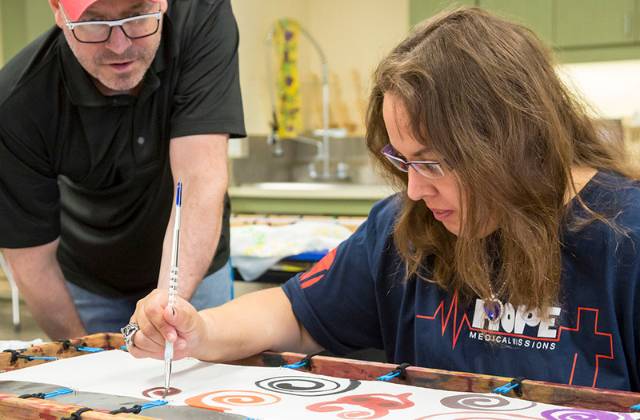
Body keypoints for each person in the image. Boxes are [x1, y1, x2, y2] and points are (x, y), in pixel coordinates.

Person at [127, 8, 640, 392]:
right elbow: (297, 313)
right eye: (405, 161)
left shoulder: (626, 239)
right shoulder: (405, 227)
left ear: (510, 142)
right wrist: (199, 329)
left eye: (433, 163)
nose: (415, 190)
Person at [0, 0, 245, 338]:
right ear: (58, 10)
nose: (119, 45)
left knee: (197, 380)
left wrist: (166, 309)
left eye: (135, 15)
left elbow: (199, 179)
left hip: (192, 261)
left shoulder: (200, 18)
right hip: (88, 278)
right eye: (95, 22)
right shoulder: (17, 101)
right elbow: (31, 258)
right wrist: (81, 356)